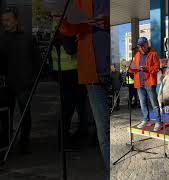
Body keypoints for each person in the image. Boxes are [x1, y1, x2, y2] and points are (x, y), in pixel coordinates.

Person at [56, 0, 110, 174]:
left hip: (114, 68)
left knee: (115, 126)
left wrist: (107, 20)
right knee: (104, 132)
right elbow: (69, 31)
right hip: (92, 72)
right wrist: (61, 18)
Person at [0, 7, 41, 154]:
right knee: (6, 116)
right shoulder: (2, 39)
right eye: (3, 20)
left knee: (25, 114)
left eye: (8, 20)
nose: (5, 23)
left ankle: (24, 142)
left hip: (24, 84)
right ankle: (7, 142)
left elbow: (38, 61)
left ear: (16, 20)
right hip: (7, 85)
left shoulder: (28, 38)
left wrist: (33, 80)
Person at [50, 14, 88, 141]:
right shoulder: (63, 26)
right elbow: (70, 49)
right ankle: (66, 136)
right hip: (70, 72)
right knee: (72, 105)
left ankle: (69, 134)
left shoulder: (56, 25)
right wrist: (80, 39)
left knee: (72, 105)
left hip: (63, 72)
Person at [128, 37, 162, 132]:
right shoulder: (137, 54)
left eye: (143, 45)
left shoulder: (153, 54)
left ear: (147, 44)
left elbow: (156, 68)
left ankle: (158, 122)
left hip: (149, 82)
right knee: (142, 103)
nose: (141, 47)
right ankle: (146, 120)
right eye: (140, 46)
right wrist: (129, 66)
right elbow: (133, 69)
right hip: (139, 83)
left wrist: (147, 69)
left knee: (154, 103)